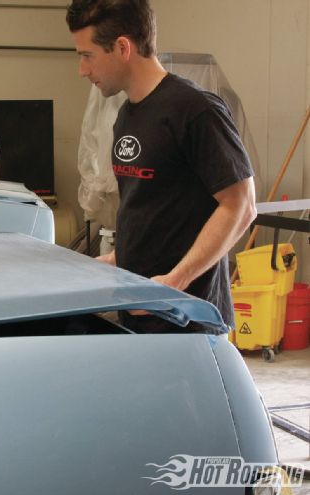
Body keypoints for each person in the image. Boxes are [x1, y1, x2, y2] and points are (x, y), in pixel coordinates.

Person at [66, 0, 257, 334]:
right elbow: (150, 206)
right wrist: (116, 259)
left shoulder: (196, 110)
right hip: (142, 310)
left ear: (123, 47)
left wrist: (175, 281)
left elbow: (241, 206)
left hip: (188, 319)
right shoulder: (127, 114)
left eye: (87, 55)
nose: (82, 70)